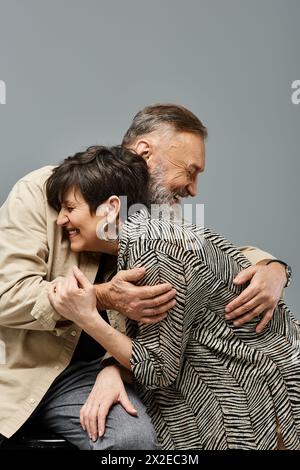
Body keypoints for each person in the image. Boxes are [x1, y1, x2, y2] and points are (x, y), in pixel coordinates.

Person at [0, 104, 288, 448]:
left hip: (97, 372)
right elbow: (6, 294)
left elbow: (206, 256)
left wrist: (274, 267)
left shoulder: (155, 218)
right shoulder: (42, 189)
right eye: (190, 170)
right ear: (145, 154)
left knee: (133, 441)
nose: (194, 189)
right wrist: (101, 297)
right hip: (18, 370)